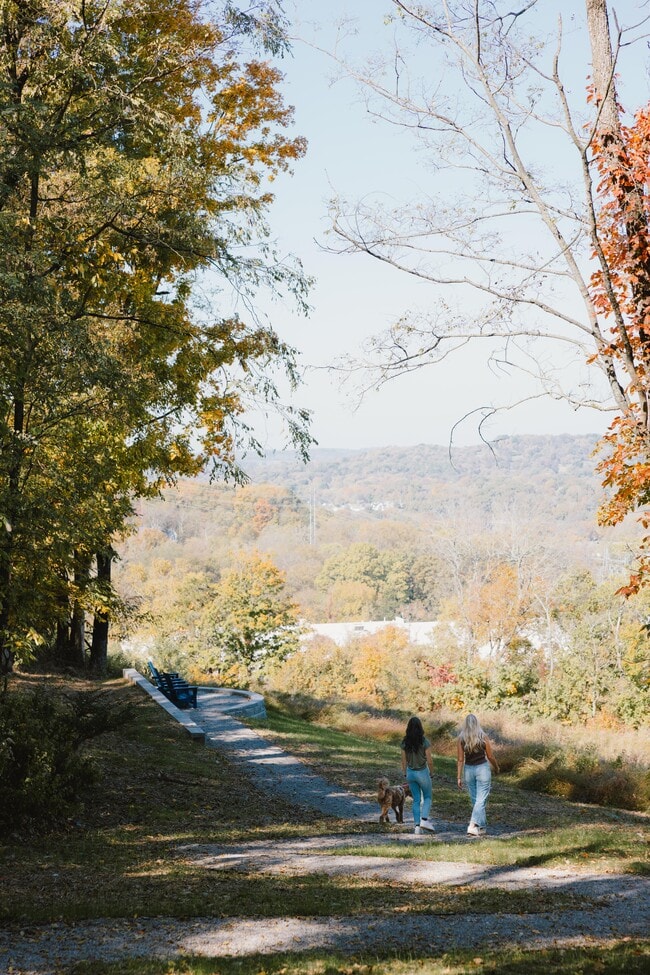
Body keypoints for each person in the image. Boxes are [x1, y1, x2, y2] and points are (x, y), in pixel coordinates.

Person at [456, 713, 499, 836]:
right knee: (480, 800)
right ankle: (472, 824)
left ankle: (482, 827)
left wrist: (459, 777)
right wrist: (496, 767)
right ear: (477, 723)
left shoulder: (461, 738)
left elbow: (460, 759)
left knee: (476, 800)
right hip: (482, 770)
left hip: (469, 770)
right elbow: (490, 756)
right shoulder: (483, 736)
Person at [400, 715, 435, 834]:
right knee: (428, 797)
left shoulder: (404, 743)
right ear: (420, 728)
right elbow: (429, 760)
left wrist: (405, 773)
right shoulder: (425, 742)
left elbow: (403, 761)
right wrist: (432, 773)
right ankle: (424, 819)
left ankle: (416, 827)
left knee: (416, 800)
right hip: (423, 772)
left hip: (410, 773)